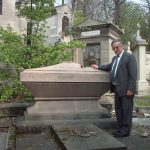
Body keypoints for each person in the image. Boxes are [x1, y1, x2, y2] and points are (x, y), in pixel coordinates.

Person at [91, 39, 137, 137]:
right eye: (113, 48)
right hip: (117, 89)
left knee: (126, 111)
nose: (115, 49)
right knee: (119, 110)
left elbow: (133, 75)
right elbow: (109, 66)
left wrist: (131, 89)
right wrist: (98, 67)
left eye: (117, 47)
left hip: (126, 90)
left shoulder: (129, 57)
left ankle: (125, 131)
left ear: (122, 46)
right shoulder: (115, 59)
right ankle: (120, 128)